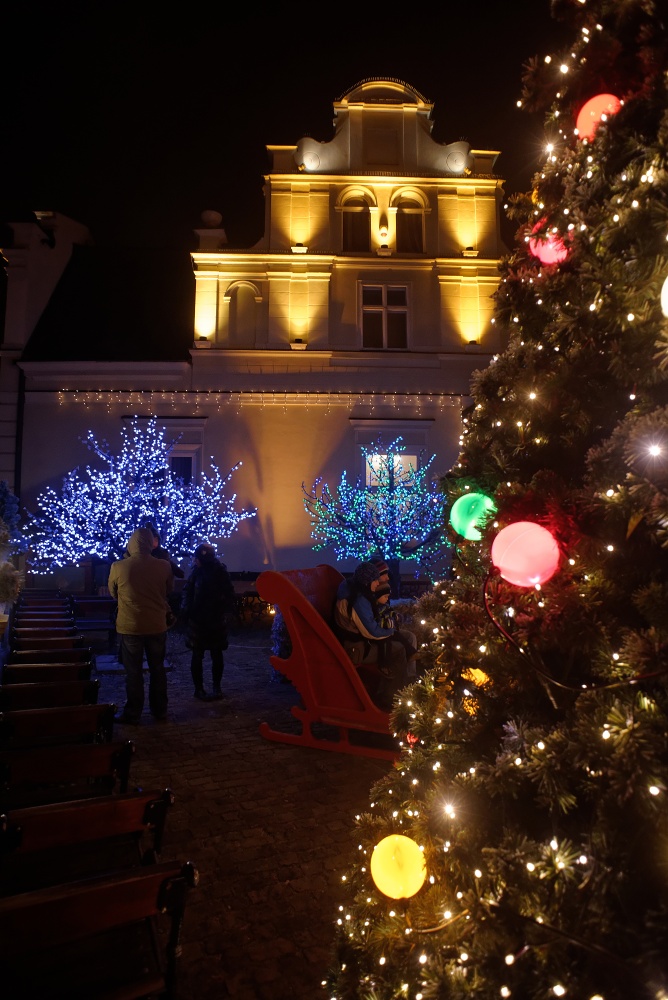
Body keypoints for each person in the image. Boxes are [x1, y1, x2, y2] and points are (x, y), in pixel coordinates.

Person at [108, 526, 174, 725]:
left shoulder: (119, 566)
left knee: (133, 672)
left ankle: (133, 711)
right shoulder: (164, 566)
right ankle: (159, 709)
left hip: (131, 625)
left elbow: (113, 592)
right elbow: (168, 590)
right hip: (156, 624)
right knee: (157, 669)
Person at [333, 561, 412, 708]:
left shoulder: (360, 592)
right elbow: (372, 632)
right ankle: (393, 698)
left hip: (362, 642)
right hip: (356, 648)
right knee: (399, 649)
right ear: (367, 581)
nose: (378, 583)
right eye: (375, 580)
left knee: (407, 637)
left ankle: (404, 685)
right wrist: (391, 630)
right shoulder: (358, 600)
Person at [180, 542, 236, 701]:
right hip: (200, 620)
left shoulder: (217, 572)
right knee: (200, 655)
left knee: (213, 654)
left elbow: (228, 593)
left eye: (197, 558)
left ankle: (214, 687)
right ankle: (200, 689)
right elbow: (188, 593)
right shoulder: (199, 573)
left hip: (212, 619)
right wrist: (186, 611)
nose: (195, 561)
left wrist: (225, 609)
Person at [372, 581, 418, 680]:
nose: (387, 598)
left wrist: (396, 616)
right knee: (386, 644)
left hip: (389, 629)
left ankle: (411, 652)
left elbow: (390, 612)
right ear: (378, 596)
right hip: (382, 631)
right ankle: (385, 665)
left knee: (401, 637)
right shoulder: (375, 608)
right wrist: (388, 622)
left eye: (388, 596)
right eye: (385, 596)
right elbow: (376, 620)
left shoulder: (385, 605)